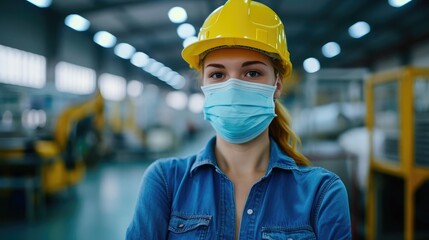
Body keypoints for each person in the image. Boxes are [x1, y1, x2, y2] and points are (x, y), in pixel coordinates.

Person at [126, 0, 351, 239]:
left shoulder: (322, 193)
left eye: (252, 73)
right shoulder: (165, 181)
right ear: (203, 84)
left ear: (277, 85)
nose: (232, 87)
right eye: (217, 74)